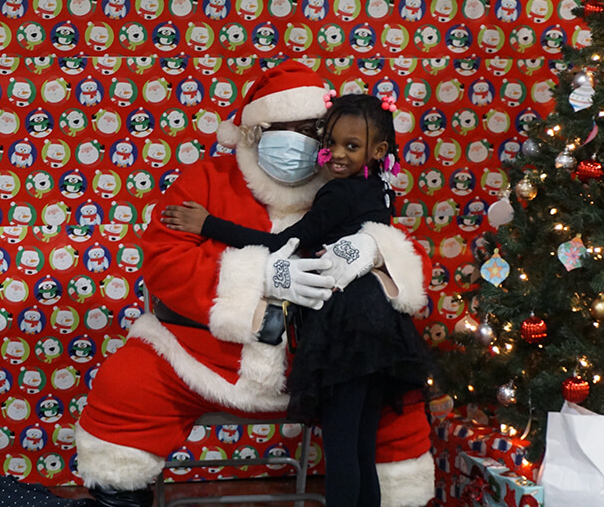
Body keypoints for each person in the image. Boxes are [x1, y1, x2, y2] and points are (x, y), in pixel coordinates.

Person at [75, 61, 435, 507]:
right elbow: (164, 261)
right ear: (253, 132)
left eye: (311, 129)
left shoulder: (347, 183)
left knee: (396, 400)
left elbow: (412, 261)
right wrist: (262, 275)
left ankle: (398, 498)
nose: (300, 140)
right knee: (128, 381)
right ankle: (118, 494)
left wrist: (376, 249)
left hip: (319, 358)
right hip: (205, 353)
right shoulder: (206, 178)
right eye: (285, 129)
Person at [160, 93, 439, 506]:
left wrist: (209, 224)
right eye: (332, 143)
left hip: (346, 327)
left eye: (351, 146)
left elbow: (285, 244)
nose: (337, 155)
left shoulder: (338, 193)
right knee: (362, 447)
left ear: (378, 150)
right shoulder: (379, 187)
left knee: (342, 450)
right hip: (380, 326)